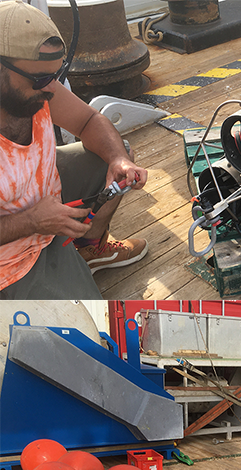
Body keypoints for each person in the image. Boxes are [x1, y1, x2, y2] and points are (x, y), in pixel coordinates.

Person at [0, 0, 148, 299]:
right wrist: (30, 221)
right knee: (89, 328)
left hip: (42, 208)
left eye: (57, 74)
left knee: (113, 154)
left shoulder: (42, 88)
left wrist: (118, 159)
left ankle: (90, 247)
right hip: (9, 262)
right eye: (40, 79)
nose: (52, 88)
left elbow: (90, 119)